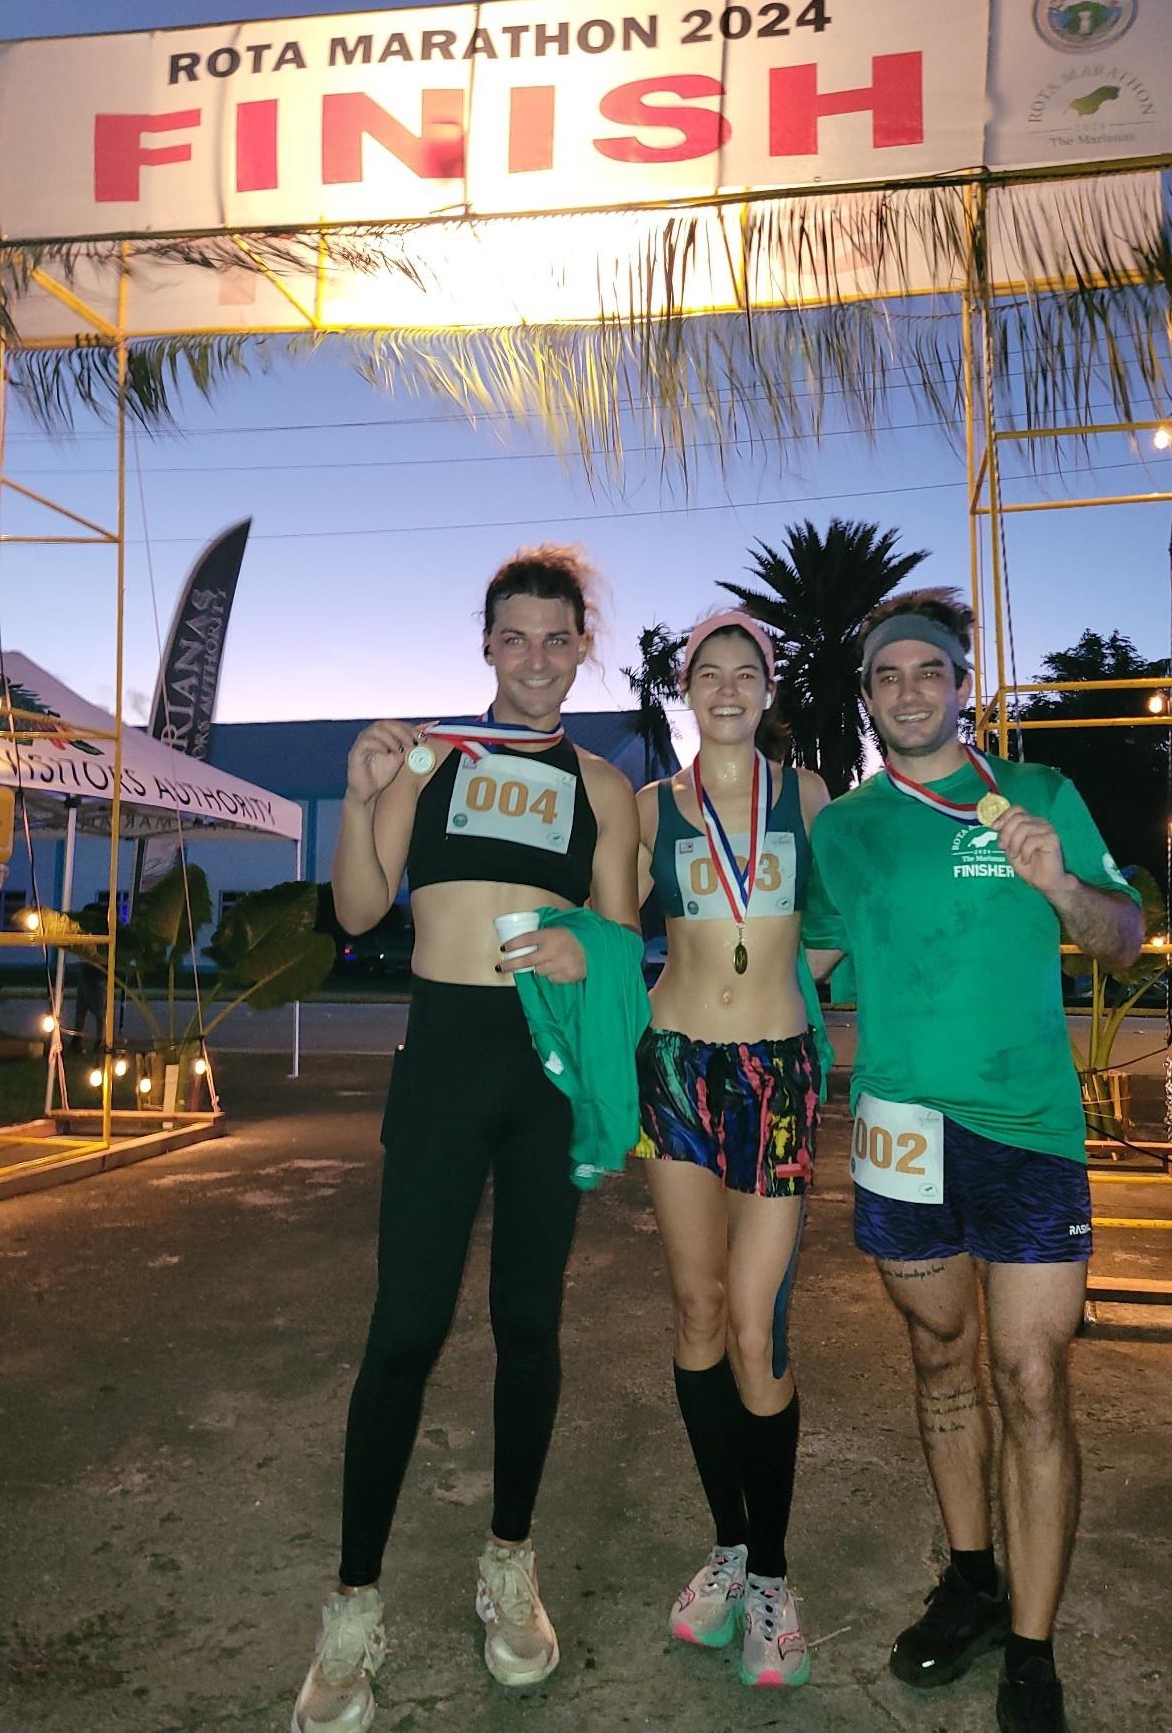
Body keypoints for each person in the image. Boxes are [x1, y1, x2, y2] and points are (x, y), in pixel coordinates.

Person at [292, 546, 640, 1732]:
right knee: (403, 1330)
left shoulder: (603, 784)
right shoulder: (429, 760)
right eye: (515, 639)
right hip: (442, 1056)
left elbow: (622, 936)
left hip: (542, 1065)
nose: (536, 659)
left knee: (529, 1323)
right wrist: (355, 791)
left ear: (580, 646)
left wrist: (589, 945)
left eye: (557, 639)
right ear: (485, 646)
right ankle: (350, 1611)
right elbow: (353, 909)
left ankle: (509, 1559)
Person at [802, 588, 1143, 1733]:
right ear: (868, 697)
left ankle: (1033, 1652)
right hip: (901, 1133)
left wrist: (1056, 883)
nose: (908, 689)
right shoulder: (843, 829)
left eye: (928, 670)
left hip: (1031, 1134)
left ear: (961, 683)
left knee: (1033, 1381)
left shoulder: (1037, 797)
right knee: (941, 1360)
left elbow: (1124, 934)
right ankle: (974, 1578)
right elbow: (794, 963)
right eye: (886, 674)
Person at [633, 610, 830, 1689]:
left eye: (743, 670)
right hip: (674, 1067)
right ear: (685, 689)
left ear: (766, 686)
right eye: (706, 671)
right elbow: (612, 923)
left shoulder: (807, 798)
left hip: (778, 1073)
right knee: (700, 1311)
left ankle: (773, 1575)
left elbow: (845, 910)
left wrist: (809, 976)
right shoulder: (652, 806)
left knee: (759, 1326)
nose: (724, 685)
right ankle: (727, 1540)